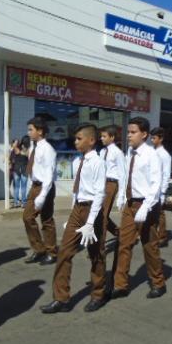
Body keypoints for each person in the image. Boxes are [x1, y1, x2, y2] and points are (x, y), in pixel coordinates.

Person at [40, 124, 107, 314]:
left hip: (92, 211)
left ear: (91, 141)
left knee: (96, 254)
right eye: (75, 138)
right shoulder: (78, 161)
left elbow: (100, 194)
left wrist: (90, 222)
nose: (75, 142)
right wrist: (72, 214)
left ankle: (98, 294)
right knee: (64, 252)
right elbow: (77, 191)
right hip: (78, 210)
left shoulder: (97, 162)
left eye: (79, 138)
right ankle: (61, 298)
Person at [111, 117, 166, 300]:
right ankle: (121, 285)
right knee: (123, 244)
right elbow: (126, 176)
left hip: (146, 205)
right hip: (129, 204)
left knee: (149, 246)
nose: (129, 136)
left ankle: (158, 283)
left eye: (133, 132)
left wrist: (147, 206)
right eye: (128, 132)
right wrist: (121, 195)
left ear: (144, 134)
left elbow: (155, 184)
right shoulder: (129, 152)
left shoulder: (152, 155)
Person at [23, 116, 58, 265]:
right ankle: (39, 249)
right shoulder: (34, 147)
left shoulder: (47, 149)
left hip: (45, 187)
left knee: (46, 220)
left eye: (31, 129)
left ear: (40, 131)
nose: (29, 132)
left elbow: (49, 176)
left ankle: (51, 252)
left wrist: (42, 195)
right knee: (27, 217)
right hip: (35, 186)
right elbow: (33, 169)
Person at [99, 125, 124, 242]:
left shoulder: (118, 153)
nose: (101, 138)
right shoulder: (102, 151)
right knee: (99, 213)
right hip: (101, 183)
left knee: (102, 215)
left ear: (112, 137)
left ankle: (99, 246)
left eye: (104, 136)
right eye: (101, 136)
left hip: (111, 184)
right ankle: (119, 233)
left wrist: (121, 196)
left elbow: (123, 174)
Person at [151, 127, 172, 247]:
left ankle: (162, 236)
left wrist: (163, 192)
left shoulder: (164, 155)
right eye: (151, 138)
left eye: (154, 138)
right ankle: (153, 233)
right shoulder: (152, 152)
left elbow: (166, 174)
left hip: (159, 188)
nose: (152, 140)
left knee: (160, 213)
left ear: (161, 139)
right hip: (150, 186)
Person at [11, 136, 30, 208]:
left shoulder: (17, 147)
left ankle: (16, 202)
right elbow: (27, 155)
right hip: (24, 169)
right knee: (23, 187)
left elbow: (14, 148)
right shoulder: (28, 149)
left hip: (16, 169)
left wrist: (16, 144)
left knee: (16, 187)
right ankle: (23, 203)